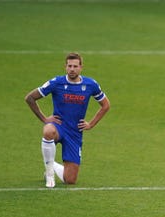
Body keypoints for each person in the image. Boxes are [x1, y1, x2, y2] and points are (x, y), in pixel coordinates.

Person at [25, 52, 110, 188]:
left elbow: (106, 105)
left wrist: (91, 124)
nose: (72, 69)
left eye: (75, 66)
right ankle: (49, 174)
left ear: (81, 67)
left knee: (70, 180)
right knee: (48, 130)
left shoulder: (90, 84)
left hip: (75, 133)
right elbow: (30, 98)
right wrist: (45, 119)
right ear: (65, 67)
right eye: (69, 66)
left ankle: (52, 167)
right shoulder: (56, 82)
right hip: (59, 126)